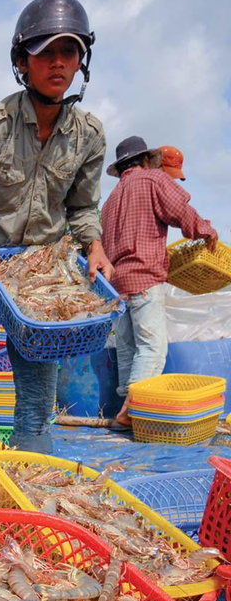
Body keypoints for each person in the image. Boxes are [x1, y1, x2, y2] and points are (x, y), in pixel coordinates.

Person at [0, 0, 112, 453]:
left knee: (37, 394)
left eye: (68, 52)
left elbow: (82, 207)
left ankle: (32, 480)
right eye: (45, 52)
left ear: (81, 62)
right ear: (22, 61)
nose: (58, 63)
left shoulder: (90, 136)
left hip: (42, 276)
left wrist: (94, 245)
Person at [101, 136, 218, 427]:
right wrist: (205, 229)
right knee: (153, 349)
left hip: (117, 287)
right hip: (143, 277)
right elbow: (181, 211)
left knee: (129, 349)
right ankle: (134, 410)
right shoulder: (152, 179)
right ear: (144, 161)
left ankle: (124, 410)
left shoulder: (111, 200)